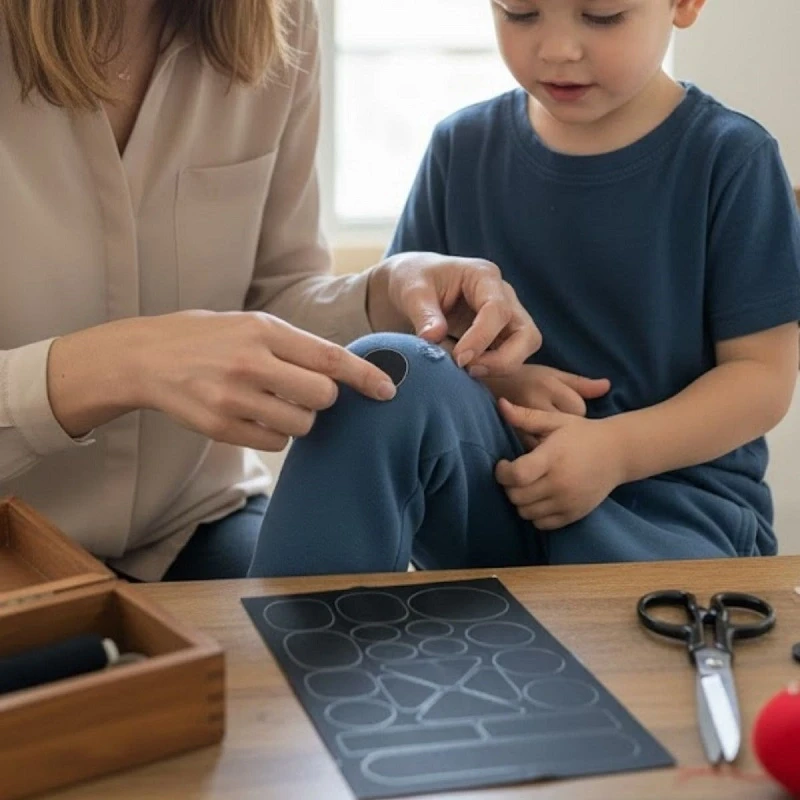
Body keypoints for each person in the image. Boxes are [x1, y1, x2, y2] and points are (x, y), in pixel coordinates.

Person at [248, 0, 800, 577]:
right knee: (385, 365)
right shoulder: (460, 147)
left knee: (615, 616)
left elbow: (762, 379)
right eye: (520, 12)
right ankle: (292, 624)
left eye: (602, 16)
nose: (556, 49)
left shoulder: (731, 158)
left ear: (683, 5)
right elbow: (415, 338)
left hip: (671, 515)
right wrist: (500, 382)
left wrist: (614, 451)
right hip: (497, 492)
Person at [0, 0, 541, 582]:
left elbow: (276, 295)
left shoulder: (279, 22)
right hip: (13, 529)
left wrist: (383, 294)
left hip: (189, 520)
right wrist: (125, 364)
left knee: (341, 628)